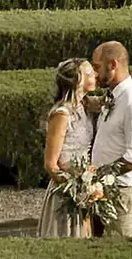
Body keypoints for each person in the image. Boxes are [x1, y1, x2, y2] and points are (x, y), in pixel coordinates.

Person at [84, 39, 132, 239]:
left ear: (113, 65)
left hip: (123, 195)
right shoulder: (111, 97)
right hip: (101, 192)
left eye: (97, 67)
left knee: (122, 254)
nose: (95, 73)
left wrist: (95, 177)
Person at [39, 58, 98, 237]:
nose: (95, 75)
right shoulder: (62, 114)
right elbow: (51, 165)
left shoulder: (84, 106)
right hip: (66, 191)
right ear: (77, 81)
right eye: (89, 73)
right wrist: (76, 190)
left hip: (85, 185)